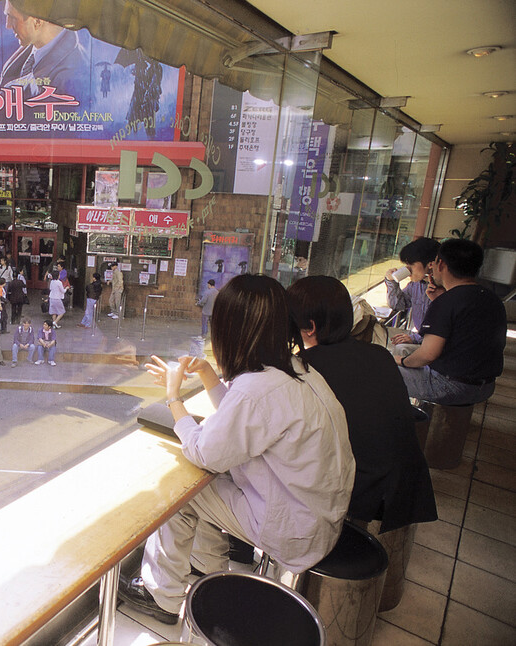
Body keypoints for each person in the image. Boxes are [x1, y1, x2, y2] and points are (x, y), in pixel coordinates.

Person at [118, 274, 354, 625]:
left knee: (180, 492)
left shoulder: (257, 388)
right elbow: (245, 422)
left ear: (231, 329)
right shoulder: (298, 370)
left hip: (296, 531)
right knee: (214, 482)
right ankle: (207, 571)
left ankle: (161, 595)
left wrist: (172, 397)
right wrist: (211, 376)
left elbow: (203, 451)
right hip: (322, 518)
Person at [287, 276, 437, 533]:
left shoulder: (306, 369)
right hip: (407, 488)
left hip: (361, 494)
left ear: (310, 327)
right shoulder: (378, 354)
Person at [395, 238, 507, 406]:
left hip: (452, 386)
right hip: (486, 386)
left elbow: (427, 354)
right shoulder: (492, 298)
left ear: (440, 265)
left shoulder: (447, 302)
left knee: (379, 370)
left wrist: (402, 361)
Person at [0, 0, 88, 99]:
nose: (8, 25)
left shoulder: (71, 73)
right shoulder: (30, 48)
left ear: (37, 21)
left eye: (13, 18)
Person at [385, 237, 442, 356]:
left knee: (399, 350)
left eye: (411, 264)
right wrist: (391, 282)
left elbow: (441, 329)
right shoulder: (415, 285)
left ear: (430, 264)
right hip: (421, 339)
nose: (408, 269)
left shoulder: (442, 288)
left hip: (434, 347)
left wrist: (415, 338)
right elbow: (398, 305)